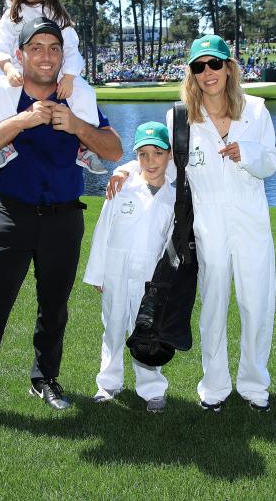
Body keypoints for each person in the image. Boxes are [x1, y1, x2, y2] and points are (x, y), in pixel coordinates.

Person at [0, 17, 124, 436]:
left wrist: (77, 125)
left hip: (64, 219)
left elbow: (113, 149)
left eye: (54, 48)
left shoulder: (76, 98)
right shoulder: (3, 95)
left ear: (64, 56)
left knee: (54, 309)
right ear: (21, 54)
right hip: (13, 216)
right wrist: (22, 122)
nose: (46, 55)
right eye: (37, 48)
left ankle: (44, 379)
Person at [109, 34, 276, 412]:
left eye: (215, 64)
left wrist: (246, 153)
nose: (208, 73)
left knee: (257, 304)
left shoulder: (255, 111)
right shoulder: (180, 117)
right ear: (191, 72)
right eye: (199, 66)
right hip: (207, 223)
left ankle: (254, 386)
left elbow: (272, 161)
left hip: (251, 218)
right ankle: (214, 388)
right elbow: (161, 161)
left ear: (229, 68)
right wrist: (125, 168)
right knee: (214, 305)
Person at [83, 121, 174, 413]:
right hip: (116, 270)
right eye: (143, 155)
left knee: (147, 329)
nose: (150, 161)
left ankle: (152, 389)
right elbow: (103, 230)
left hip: (150, 276)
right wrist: (98, 273)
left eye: (157, 153)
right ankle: (108, 383)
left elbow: (171, 244)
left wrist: (167, 284)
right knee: (113, 326)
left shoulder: (174, 196)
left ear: (169, 155)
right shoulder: (122, 188)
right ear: (135, 157)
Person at [0, 0, 105, 174]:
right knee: (1, 90)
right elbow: (0, 48)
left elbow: (70, 48)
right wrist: (9, 68)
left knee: (85, 91)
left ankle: (86, 148)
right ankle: (5, 144)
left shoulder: (58, 15)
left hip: (57, 71)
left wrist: (69, 77)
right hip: (19, 72)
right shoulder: (12, 15)